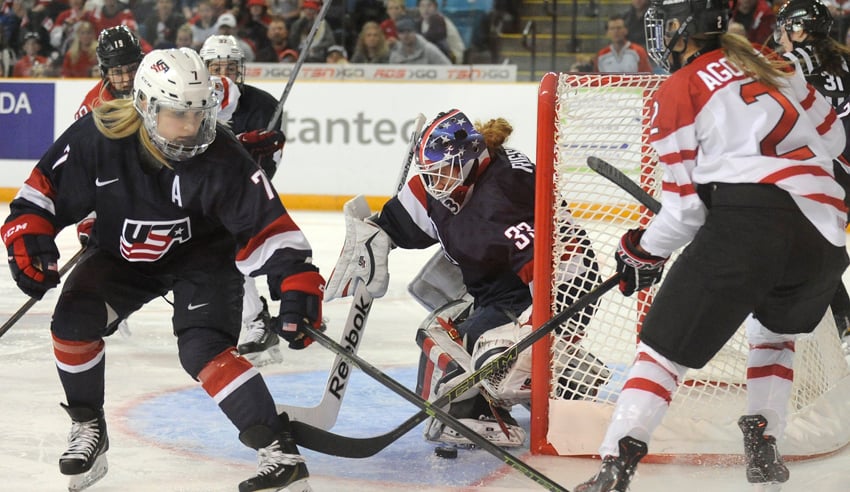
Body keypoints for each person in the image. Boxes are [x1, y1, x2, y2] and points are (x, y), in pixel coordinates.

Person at [1, 47, 322, 492]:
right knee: (73, 323)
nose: (192, 128)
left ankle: (279, 451)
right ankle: (89, 426)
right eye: (179, 115)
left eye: (200, 114)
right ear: (147, 106)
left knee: (203, 348)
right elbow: (41, 194)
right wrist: (29, 235)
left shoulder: (222, 153)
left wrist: (295, 280)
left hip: (204, 258)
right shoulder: (100, 137)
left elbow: (267, 226)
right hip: (122, 256)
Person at [575, 1, 848, 491]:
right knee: (773, 335)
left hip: (749, 225)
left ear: (683, 32)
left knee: (661, 352)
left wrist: (642, 250)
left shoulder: (680, 89)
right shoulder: (775, 63)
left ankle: (617, 461)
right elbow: (831, 140)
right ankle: (764, 440)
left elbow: (684, 213)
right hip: (824, 237)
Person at [324, 110, 603, 450]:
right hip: (498, 289)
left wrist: (542, 335)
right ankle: (557, 379)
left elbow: (568, 270)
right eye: (429, 174)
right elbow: (398, 220)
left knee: (462, 347)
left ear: (471, 159)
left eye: (441, 172)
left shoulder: (503, 196)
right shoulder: (451, 180)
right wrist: (374, 237)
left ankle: (536, 387)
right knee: (443, 331)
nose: (434, 183)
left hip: (542, 297)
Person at [200, 34, 287, 365]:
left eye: (230, 67)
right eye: (215, 66)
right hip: (200, 196)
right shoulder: (192, 101)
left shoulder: (265, 106)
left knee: (239, 246)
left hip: (245, 196)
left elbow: (270, 167)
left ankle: (263, 317)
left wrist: (254, 154)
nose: (224, 72)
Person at [774, 0, 850, 340]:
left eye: (785, 30)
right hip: (841, 170)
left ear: (800, 29)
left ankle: (844, 324)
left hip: (828, 175)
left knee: (808, 253)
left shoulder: (791, 64)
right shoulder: (845, 58)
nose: (781, 38)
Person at [75, 25, 144, 120]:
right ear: (106, 73)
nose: (127, 79)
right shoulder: (93, 105)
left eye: (132, 69)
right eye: (118, 72)